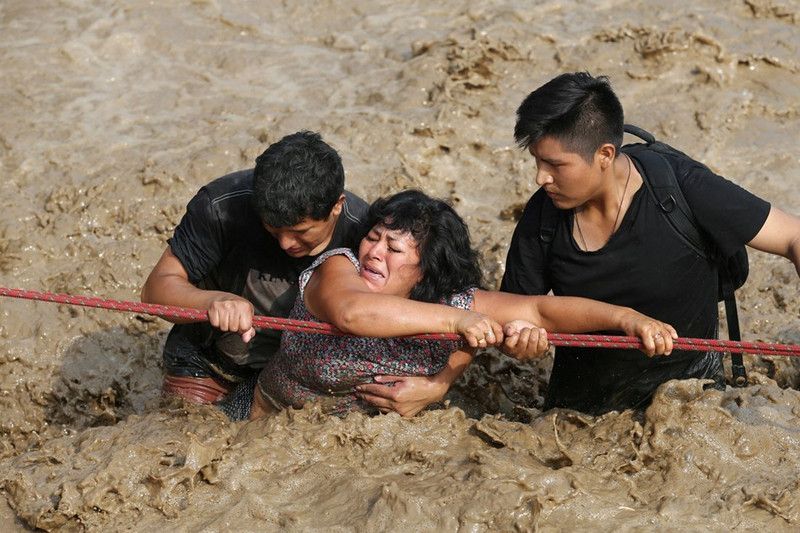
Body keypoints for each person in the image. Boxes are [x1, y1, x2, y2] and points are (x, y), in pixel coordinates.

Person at [500, 72, 800, 415]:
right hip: (579, 413)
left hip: (691, 400)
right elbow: (513, 314)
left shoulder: (680, 187)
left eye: (554, 164)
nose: (541, 177)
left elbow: (793, 235)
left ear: (605, 154)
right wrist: (518, 343)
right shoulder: (542, 218)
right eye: (537, 161)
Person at [248, 189, 678, 419]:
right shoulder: (336, 269)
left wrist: (627, 319)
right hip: (268, 424)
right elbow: (353, 314)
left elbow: (540, 311)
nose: (373, 252)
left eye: (394, 249)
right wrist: (461, 321)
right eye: (373, 238)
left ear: (426, 271)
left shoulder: (450, 300)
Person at [140, 130, 372, 404]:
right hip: (210, 363)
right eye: (273, 229)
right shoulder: (220, 207)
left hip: (309, 373)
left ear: (337, 206)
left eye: (300, 231)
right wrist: (214, 300)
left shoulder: (366, 232)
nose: (286, 244)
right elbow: (155, 290)